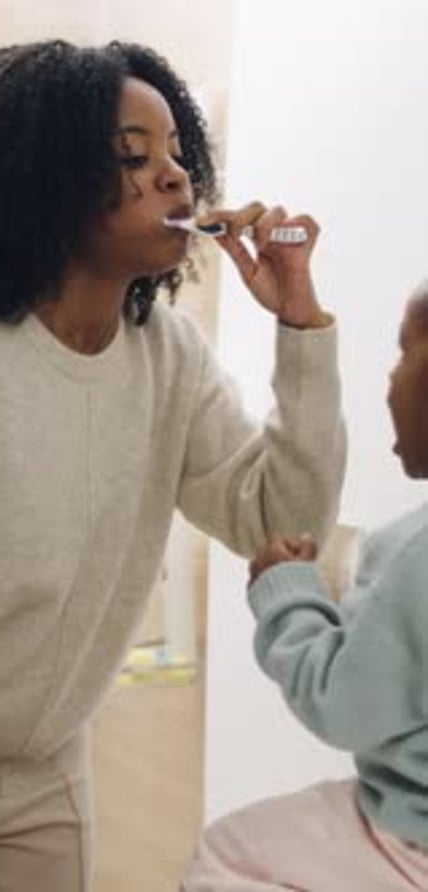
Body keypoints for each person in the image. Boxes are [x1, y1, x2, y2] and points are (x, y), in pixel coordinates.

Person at [0, 39, 344, 892]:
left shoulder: (169, 358)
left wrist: (300, 324)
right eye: (132, 156)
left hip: (48, 769)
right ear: (38, 180)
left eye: (177, 156)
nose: (173, 178)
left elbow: (281, 524)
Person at [182, 283, 428, 891]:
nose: (390, 379)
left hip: (411, 834)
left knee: (226, 858)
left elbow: (344, 707)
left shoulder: (414, 549)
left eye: (402, 354)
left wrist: (287, 594)